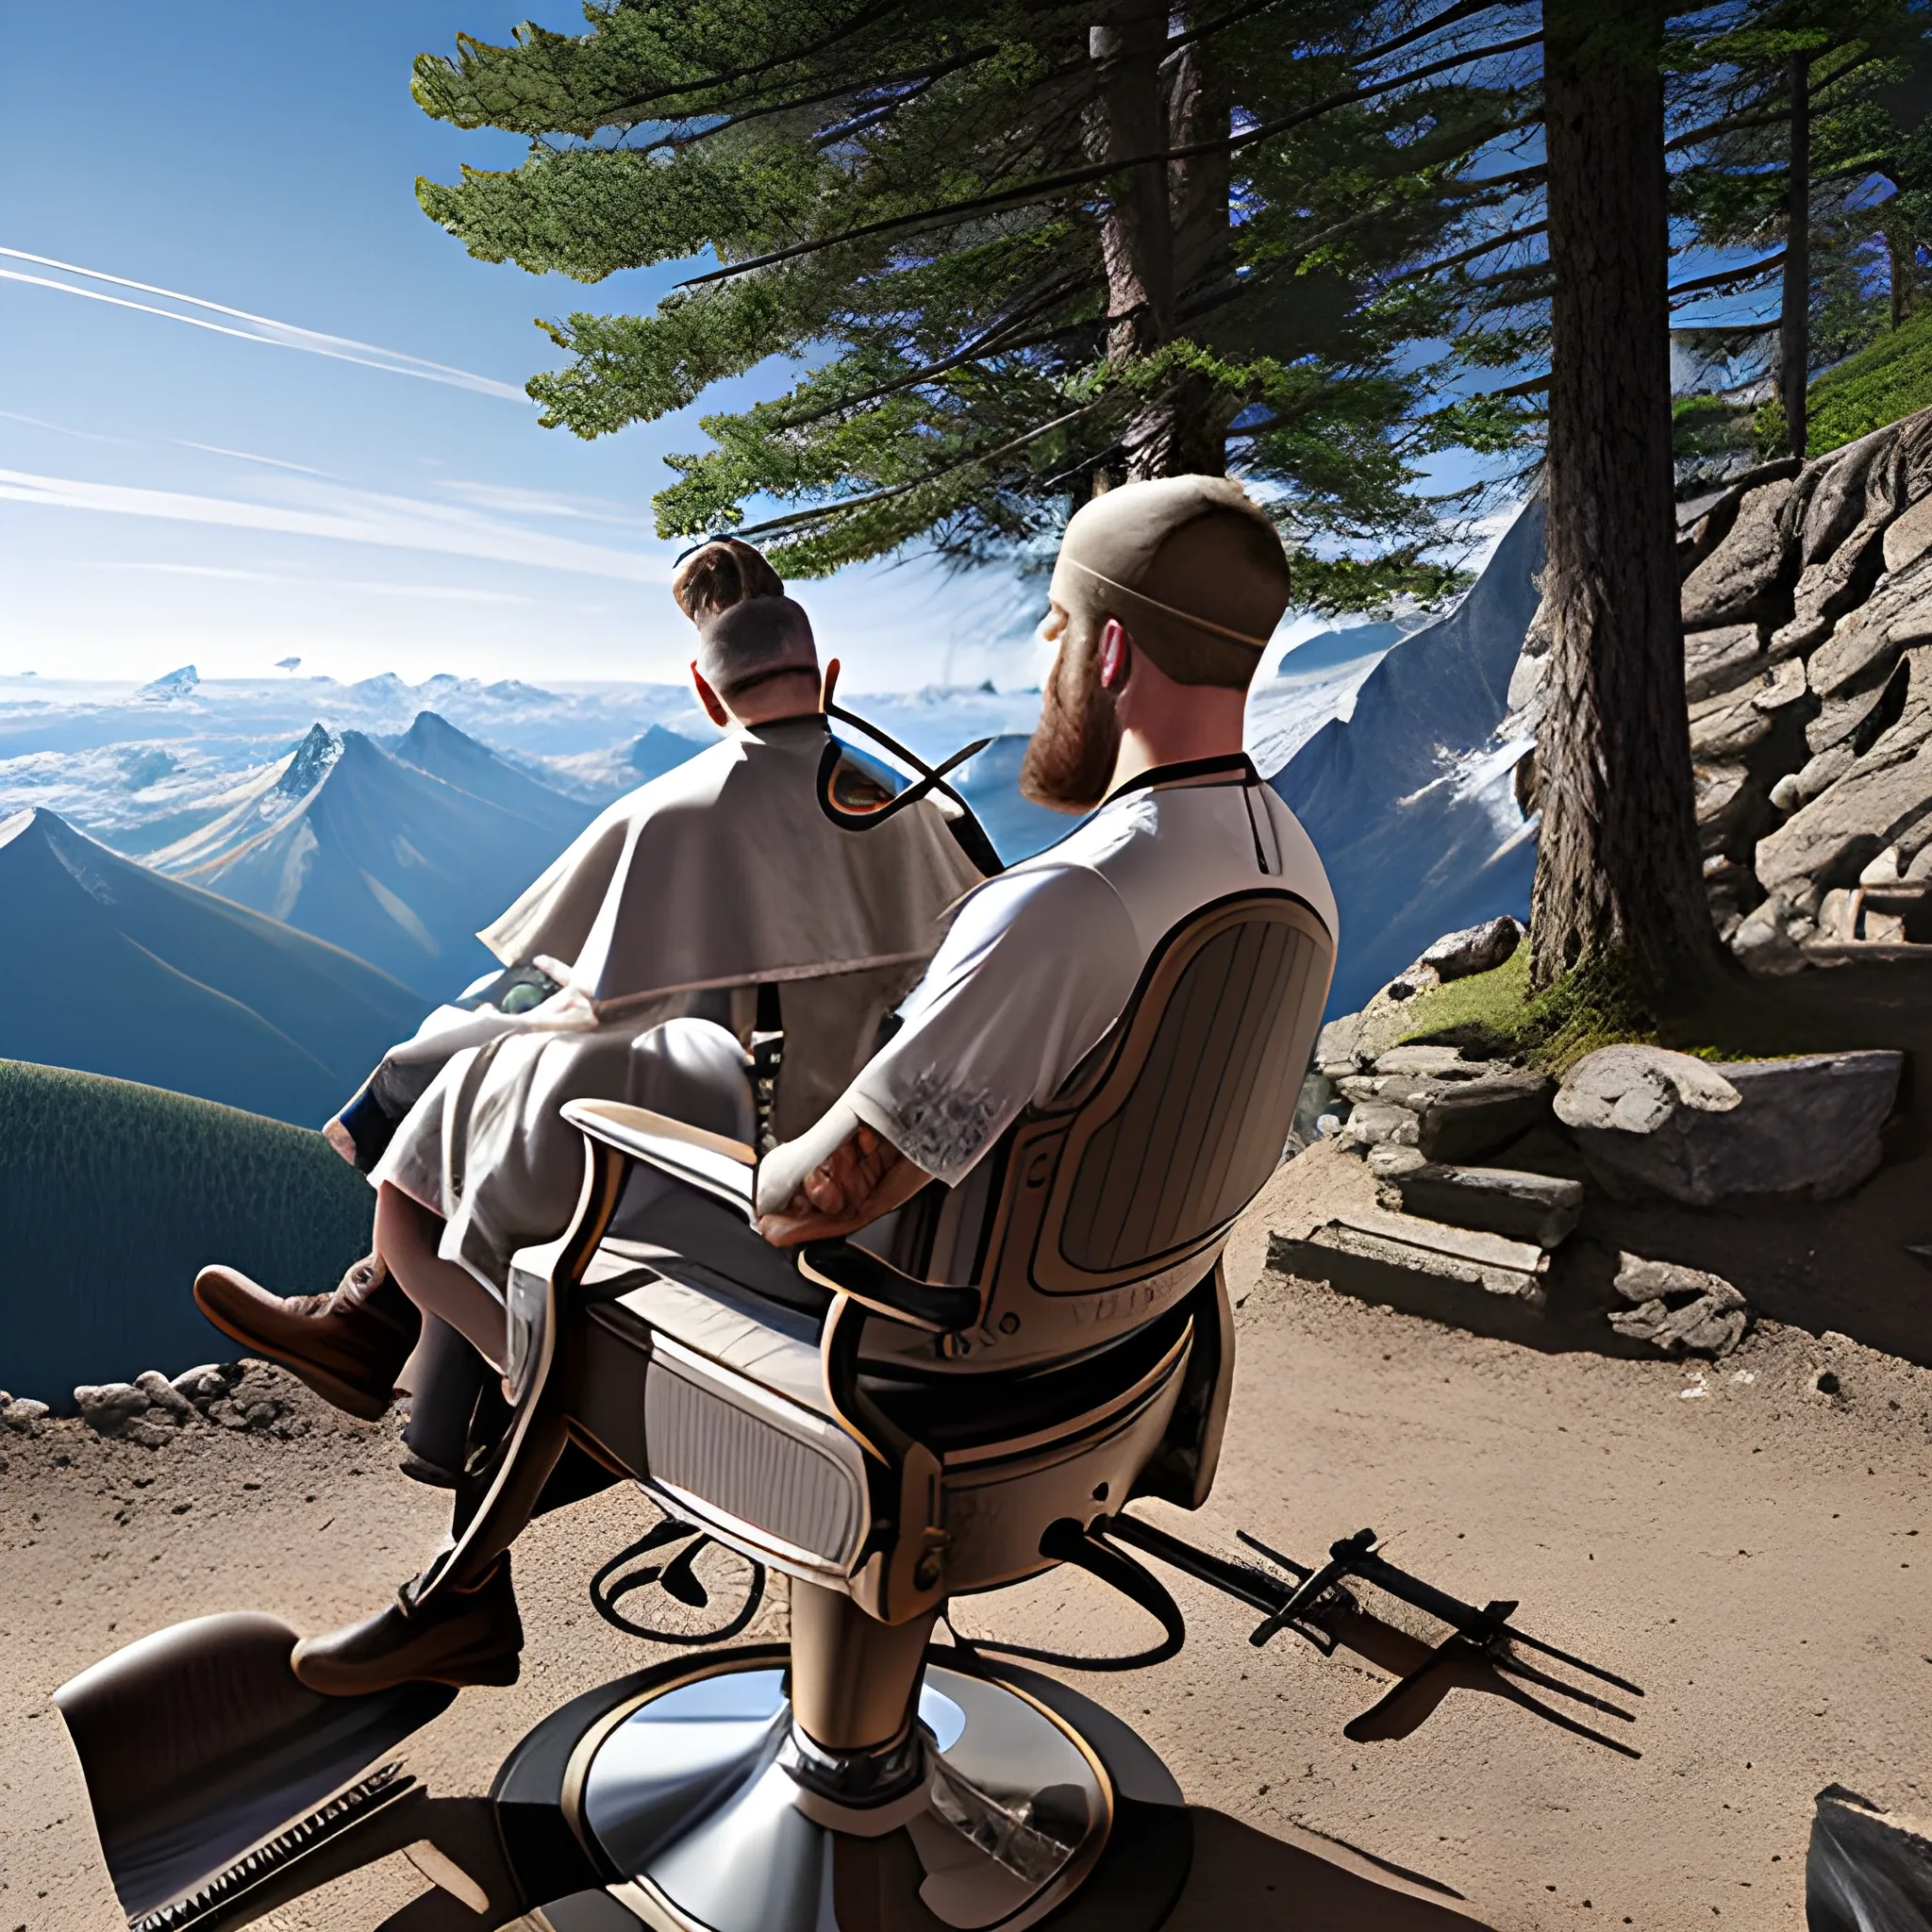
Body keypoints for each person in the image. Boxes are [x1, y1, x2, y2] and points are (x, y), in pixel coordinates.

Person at [279, 473, 1339, 1699]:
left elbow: (816, 1199)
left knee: (535, 1182)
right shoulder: (1286, 868)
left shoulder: (1071, 903)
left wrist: (681, 1144)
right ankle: (414, 1424)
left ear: (1108, 651)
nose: (1041, 661)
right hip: (1122, 1339)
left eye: (1050, 630)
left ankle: (462, 1576)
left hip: (911, 1347)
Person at [193, 541, 987, 1474]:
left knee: (443, 1081)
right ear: (832, 677)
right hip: (891, 1178)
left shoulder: (671, 816)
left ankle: (415, 1339)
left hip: (749, 1177)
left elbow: (596, 1002)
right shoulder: (926, 813)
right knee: (470, 1077)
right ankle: (381, 1341)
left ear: (702, 690)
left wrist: (474, 1036)